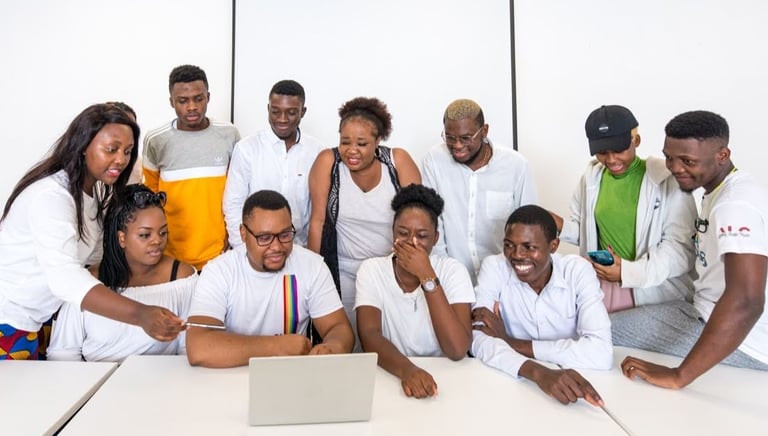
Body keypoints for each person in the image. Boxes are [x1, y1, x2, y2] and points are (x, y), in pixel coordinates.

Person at [0, 104, 184, 360]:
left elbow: (92, 257)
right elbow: (66, 278)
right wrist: (141, 314)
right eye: (111, 149)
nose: (121, 159)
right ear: (83, 145)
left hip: (39, 318)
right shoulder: (52, 197)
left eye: (128, 151)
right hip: (8, 321)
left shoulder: (94, 192)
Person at [613, 110, 768, 388]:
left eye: (688, 161)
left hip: (746, 340)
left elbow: (747, 300)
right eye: (670, 157)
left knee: (602, 330)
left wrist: (679, 375)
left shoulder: (734, 206)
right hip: (702, 309)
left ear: (722, 155)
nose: (675, 168)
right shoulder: (722, 189)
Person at [550, 105, 696, 312]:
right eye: (602, 152)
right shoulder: (591, 178)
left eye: (619, 150)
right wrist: (558, 225)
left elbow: (681, 251)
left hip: (652, 291)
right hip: (602, 287)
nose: (611, 159)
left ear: (636, 140)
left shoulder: (668, 180)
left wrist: (628, 273)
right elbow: (588, 234)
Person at [186, 190, 354, 368]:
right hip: (230, 378)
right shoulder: (218, 271)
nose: (276, 247)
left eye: (285, 235)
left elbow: (338, 327)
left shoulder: (312, 265)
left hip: (290, 379)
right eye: (264, 238)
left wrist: (333, 347)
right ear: (243, 233)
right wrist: (277, 346)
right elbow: (199, 348)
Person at [471, 205, 612, 406]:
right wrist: (538, 373)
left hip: (577, 385)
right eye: (509, 245)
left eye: (529, 247)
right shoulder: (494, 267)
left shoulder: (577, 271)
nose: (517, 255)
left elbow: (601, 353)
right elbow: (477, 339)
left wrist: (509, 342)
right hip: (510, 384)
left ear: (553, 246)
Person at [307, 97, 421, 341]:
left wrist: (413, 269)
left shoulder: (397, 161)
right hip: (344, 273)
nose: (351, 150)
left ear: (378, 141)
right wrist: (314, 274)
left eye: (362, 143)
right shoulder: (328, 162)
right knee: (348, 343)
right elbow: (317, 221)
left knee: (390, 342)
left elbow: (419, 221)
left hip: (390, 271)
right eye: (345, 142)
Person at [47, 184, 197, 362]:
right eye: (144, 235)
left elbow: (188, 348)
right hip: (95, 384)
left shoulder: (182, 279)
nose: (157, 240)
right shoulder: (85, 281)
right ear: (122, 238)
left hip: (161, 383)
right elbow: (63, 353)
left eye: (163, 232)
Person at [355, 184, 474, 399]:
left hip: (449, 376)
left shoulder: (453, 271)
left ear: (436, 238)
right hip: (391, 373)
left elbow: (457, 349)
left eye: (422, 235)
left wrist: (426, 275)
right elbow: (369, 336)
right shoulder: (372, 269)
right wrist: (407, 370)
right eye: (403, 233)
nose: (412, 242)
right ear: (392, 232)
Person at [421, 98, 538, 284]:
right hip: (451, 279)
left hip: (505, 280)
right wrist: (445, 276)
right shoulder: (434, 161)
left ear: (484, 131)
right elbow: (432, 221)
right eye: (450, 138)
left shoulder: (515, 165)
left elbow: (529, 226)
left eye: (466, 138)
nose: (457, 145)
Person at [142, 64, 241, 270]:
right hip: (170, 254)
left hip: (220, 254)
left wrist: (233, 237)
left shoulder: (229, 135)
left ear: (208, 97)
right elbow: (148, 198)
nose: (192, 106)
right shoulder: (156, 140)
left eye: (198, 98)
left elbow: (237, 192)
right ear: (172, 102)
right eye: (183, 101)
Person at [223, 79, 322, 248]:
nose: (282, 119)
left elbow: (318, 210)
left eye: (291, 112)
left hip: (300, 249)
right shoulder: (247, 149)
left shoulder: (317, 151)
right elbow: (233, 205)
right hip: (256, 252)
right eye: (276, 112)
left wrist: (311, 255)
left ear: (303, 112)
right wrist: (243, 251)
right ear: (268, 109)